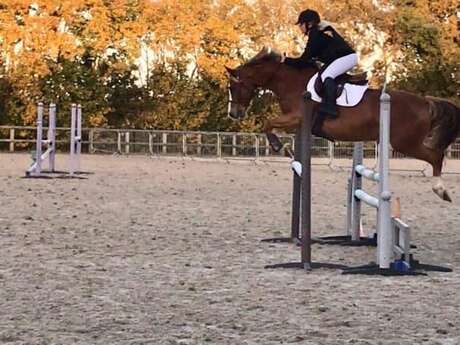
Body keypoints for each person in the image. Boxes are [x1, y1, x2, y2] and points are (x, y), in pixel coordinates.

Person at [281, 9, 358, 118]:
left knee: (327, 75)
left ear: (309, 23)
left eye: (301, 24)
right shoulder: (319, 31)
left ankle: (331, 107)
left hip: (346, 58)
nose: (300, 27)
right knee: (323, 73)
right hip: (342, 58)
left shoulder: (316, 34)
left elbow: (304, 60)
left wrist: (285, 60)